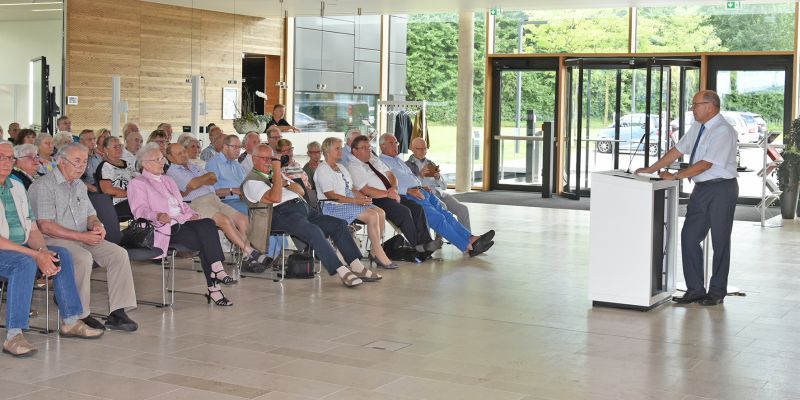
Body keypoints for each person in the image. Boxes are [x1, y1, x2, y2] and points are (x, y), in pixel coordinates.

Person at [0, 140, 104, 357]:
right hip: (8, 250)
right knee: (25, 263)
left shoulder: (17, 186)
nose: (6, 162)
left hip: (21, 246)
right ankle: (14, 335)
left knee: (61, 255)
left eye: (10, 158)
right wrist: (35, 254)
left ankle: (70, 321)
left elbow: (33, 228)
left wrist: (43, 250)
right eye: (1, 157)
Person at [635, 90, 738, 306]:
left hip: (721, 189)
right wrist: (652, 168)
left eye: (696, 104)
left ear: (710, 106)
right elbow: (678, 149)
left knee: (720, 242)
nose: (692, 108)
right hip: (701, 188)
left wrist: (676, 176)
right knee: (689, 237)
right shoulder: (699, 127)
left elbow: (706, 163)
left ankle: (717, 291)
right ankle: (695, 290)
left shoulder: (723, 130)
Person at [28, 143, 139, 331]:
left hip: (82, 237)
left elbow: (90, 215)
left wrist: (97, 225)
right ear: (62, 162)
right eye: (77, 161)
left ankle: (118, 312)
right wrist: (82, 236)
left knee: (118, 254)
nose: (82, 166)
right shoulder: (43, 186)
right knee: (82, 258)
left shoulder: (79, 185)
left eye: (85, 161)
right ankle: (81, 315)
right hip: (53, 240)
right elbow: (44, 225)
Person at [242, 144, 381, 287]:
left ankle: (357, 266)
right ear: (253, 159)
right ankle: (342, 270)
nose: (268, 162)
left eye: (270, 158)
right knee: (314, 232)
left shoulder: (275, 175)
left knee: (338, 224)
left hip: (303, 208)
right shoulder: (251, 181)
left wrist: (285, 183)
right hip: (281, 214)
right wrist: (277, 173)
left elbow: (300, 190)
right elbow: (276, 198)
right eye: (264, 158)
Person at [128, 143, 237, 306]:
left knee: (207, 223)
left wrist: (192, 214)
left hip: (182, 222)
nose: (162, 162)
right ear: (145, 163)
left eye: (162, 158)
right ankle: (216, 281)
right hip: (164, 229)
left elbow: (181, 204)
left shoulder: (168, 180)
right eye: (157, 159)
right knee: (206, 237)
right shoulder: (138, 183)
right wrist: (156, 215)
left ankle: (216, 275)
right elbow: (139, 210)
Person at [378, 134, 493, 257]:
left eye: (396, 143)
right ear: (382, 146)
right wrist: (407, 191)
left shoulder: (398, 160)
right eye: (392, 143)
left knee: (446, 215)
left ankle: (471, 238)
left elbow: (411, 178)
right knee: (438, 219)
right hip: (411, 195)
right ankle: (467, 246)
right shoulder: (381, 163)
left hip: (422, 190)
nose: (396, 146)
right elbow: (385, 185)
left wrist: (421, 185)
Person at [165, 143, 271, 272]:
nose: (184, 155)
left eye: (184, 151)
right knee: (225, 221)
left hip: (214, 199)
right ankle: (251, 253)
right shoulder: (172, 172)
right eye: (179, 154)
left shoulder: (193, 165)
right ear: (170, 157)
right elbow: (193, 184)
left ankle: (246, 257)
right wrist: (202, 179)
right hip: (196, 203)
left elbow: (213, 178)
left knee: (243, 220)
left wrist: (201, 181)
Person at [348, 135, 440, 255]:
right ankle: (417, 245)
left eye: (369, 147)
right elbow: (365, 190)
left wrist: (394, 188)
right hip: (376, 199)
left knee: (417, 208)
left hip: (391, 193)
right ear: (355, 150)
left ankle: (426, 242)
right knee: (404, 212)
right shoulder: (354, 166)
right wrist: (388, 193)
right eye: (364, 148)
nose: (368, 150)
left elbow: (390, 174)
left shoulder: (373, 159)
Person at [315, 137, 397, 269]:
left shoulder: (341, 167)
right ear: (327, 151)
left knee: (380, 212)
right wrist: (355, 200)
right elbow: (331, 195)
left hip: (347, 201)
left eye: (341, 147)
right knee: (372, 216)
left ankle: (375, 251)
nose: (341, 150)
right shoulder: (323, 169)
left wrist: (362, 198)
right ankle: (379, 253)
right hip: (333, 206)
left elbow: (352, 188)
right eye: (337, 148)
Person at [407, 137, 471, 230]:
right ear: (412, 149)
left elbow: (444, 186)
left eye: (425, 148)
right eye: (419, 149)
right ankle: (440, 239)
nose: (423, 151)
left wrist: (438, 177)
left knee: (463, 209)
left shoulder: (430, 163)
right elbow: (409, 185)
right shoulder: (407, 165)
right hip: (427, 196)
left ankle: (470, 239)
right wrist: (420, 175)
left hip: (440, 193)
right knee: (442, 207)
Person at [95, 136, 137, 218]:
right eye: (115, 147)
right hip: (117, 204)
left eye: (120, 146)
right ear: (106, 150)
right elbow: (107, 190)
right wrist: (130, 194)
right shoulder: (105, 166)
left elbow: (136, 180)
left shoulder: (127, 163)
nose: (118, 148)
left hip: (132, 199)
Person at [205, 134, 248, 215]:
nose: (238, 150)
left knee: (264, 207)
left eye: (239, 147)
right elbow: (211, 191)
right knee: (252, 211)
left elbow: (245, 183)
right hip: (224, 202)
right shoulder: (214, 163)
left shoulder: (236, 164)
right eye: (235, 147)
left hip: (242, 200)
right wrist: (233, 191)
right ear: (225, 147)